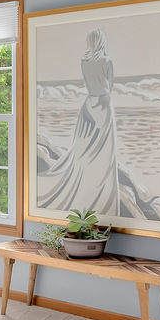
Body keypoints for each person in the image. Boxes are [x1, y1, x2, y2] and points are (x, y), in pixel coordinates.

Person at [35, 29, 121, 215]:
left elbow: (90, 82)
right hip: (103, 105)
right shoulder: (107, 61)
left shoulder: (85, 62)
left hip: (88, 104)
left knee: (83, 148)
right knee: (103, 149)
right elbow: (110, 86)